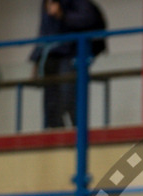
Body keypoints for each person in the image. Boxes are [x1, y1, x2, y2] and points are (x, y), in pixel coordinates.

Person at [29, 0, 107, 128]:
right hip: (50, 57)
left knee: (69, 99)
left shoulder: (77, 4)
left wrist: (62, 14)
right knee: (51, 104)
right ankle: (54, 137)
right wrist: (36, 61)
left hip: (71, 54)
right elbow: (43, 32)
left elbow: (88, 19)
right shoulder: (46, 3)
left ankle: (77, 135)